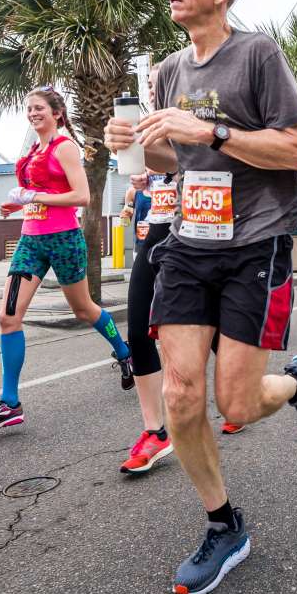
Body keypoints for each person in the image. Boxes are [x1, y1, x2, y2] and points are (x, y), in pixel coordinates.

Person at [104, 0, 297, 594]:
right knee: (181, 393)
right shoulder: (169, 70)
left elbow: (295, 149)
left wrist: (213, 132)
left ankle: (296, 383)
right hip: (187, 242)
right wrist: (133, 145)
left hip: (253, 243)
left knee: (235, 402)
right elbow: (172, 163)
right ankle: (223, 524)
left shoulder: (257, 54)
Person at [0, 89, 133, 434]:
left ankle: (123, 350)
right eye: (28, 109)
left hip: (64, 240)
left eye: (39, 108)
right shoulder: (32, 152)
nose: (32, 113)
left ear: (57, 113)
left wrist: (33, 196)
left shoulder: (65, 147)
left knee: (84, 309)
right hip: (31, 240)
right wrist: (18, 203)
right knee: (8, 317)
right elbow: (35, 197)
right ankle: (10, 403)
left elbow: (82, 196)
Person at [118, 170, 177, 472]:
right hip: (155, 234)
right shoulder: (154, 129)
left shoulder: (209, 125)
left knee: (208, 332)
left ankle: (237, 399)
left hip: (197, 235)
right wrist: (146, 176)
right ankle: (156, 432)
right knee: (139, 333)